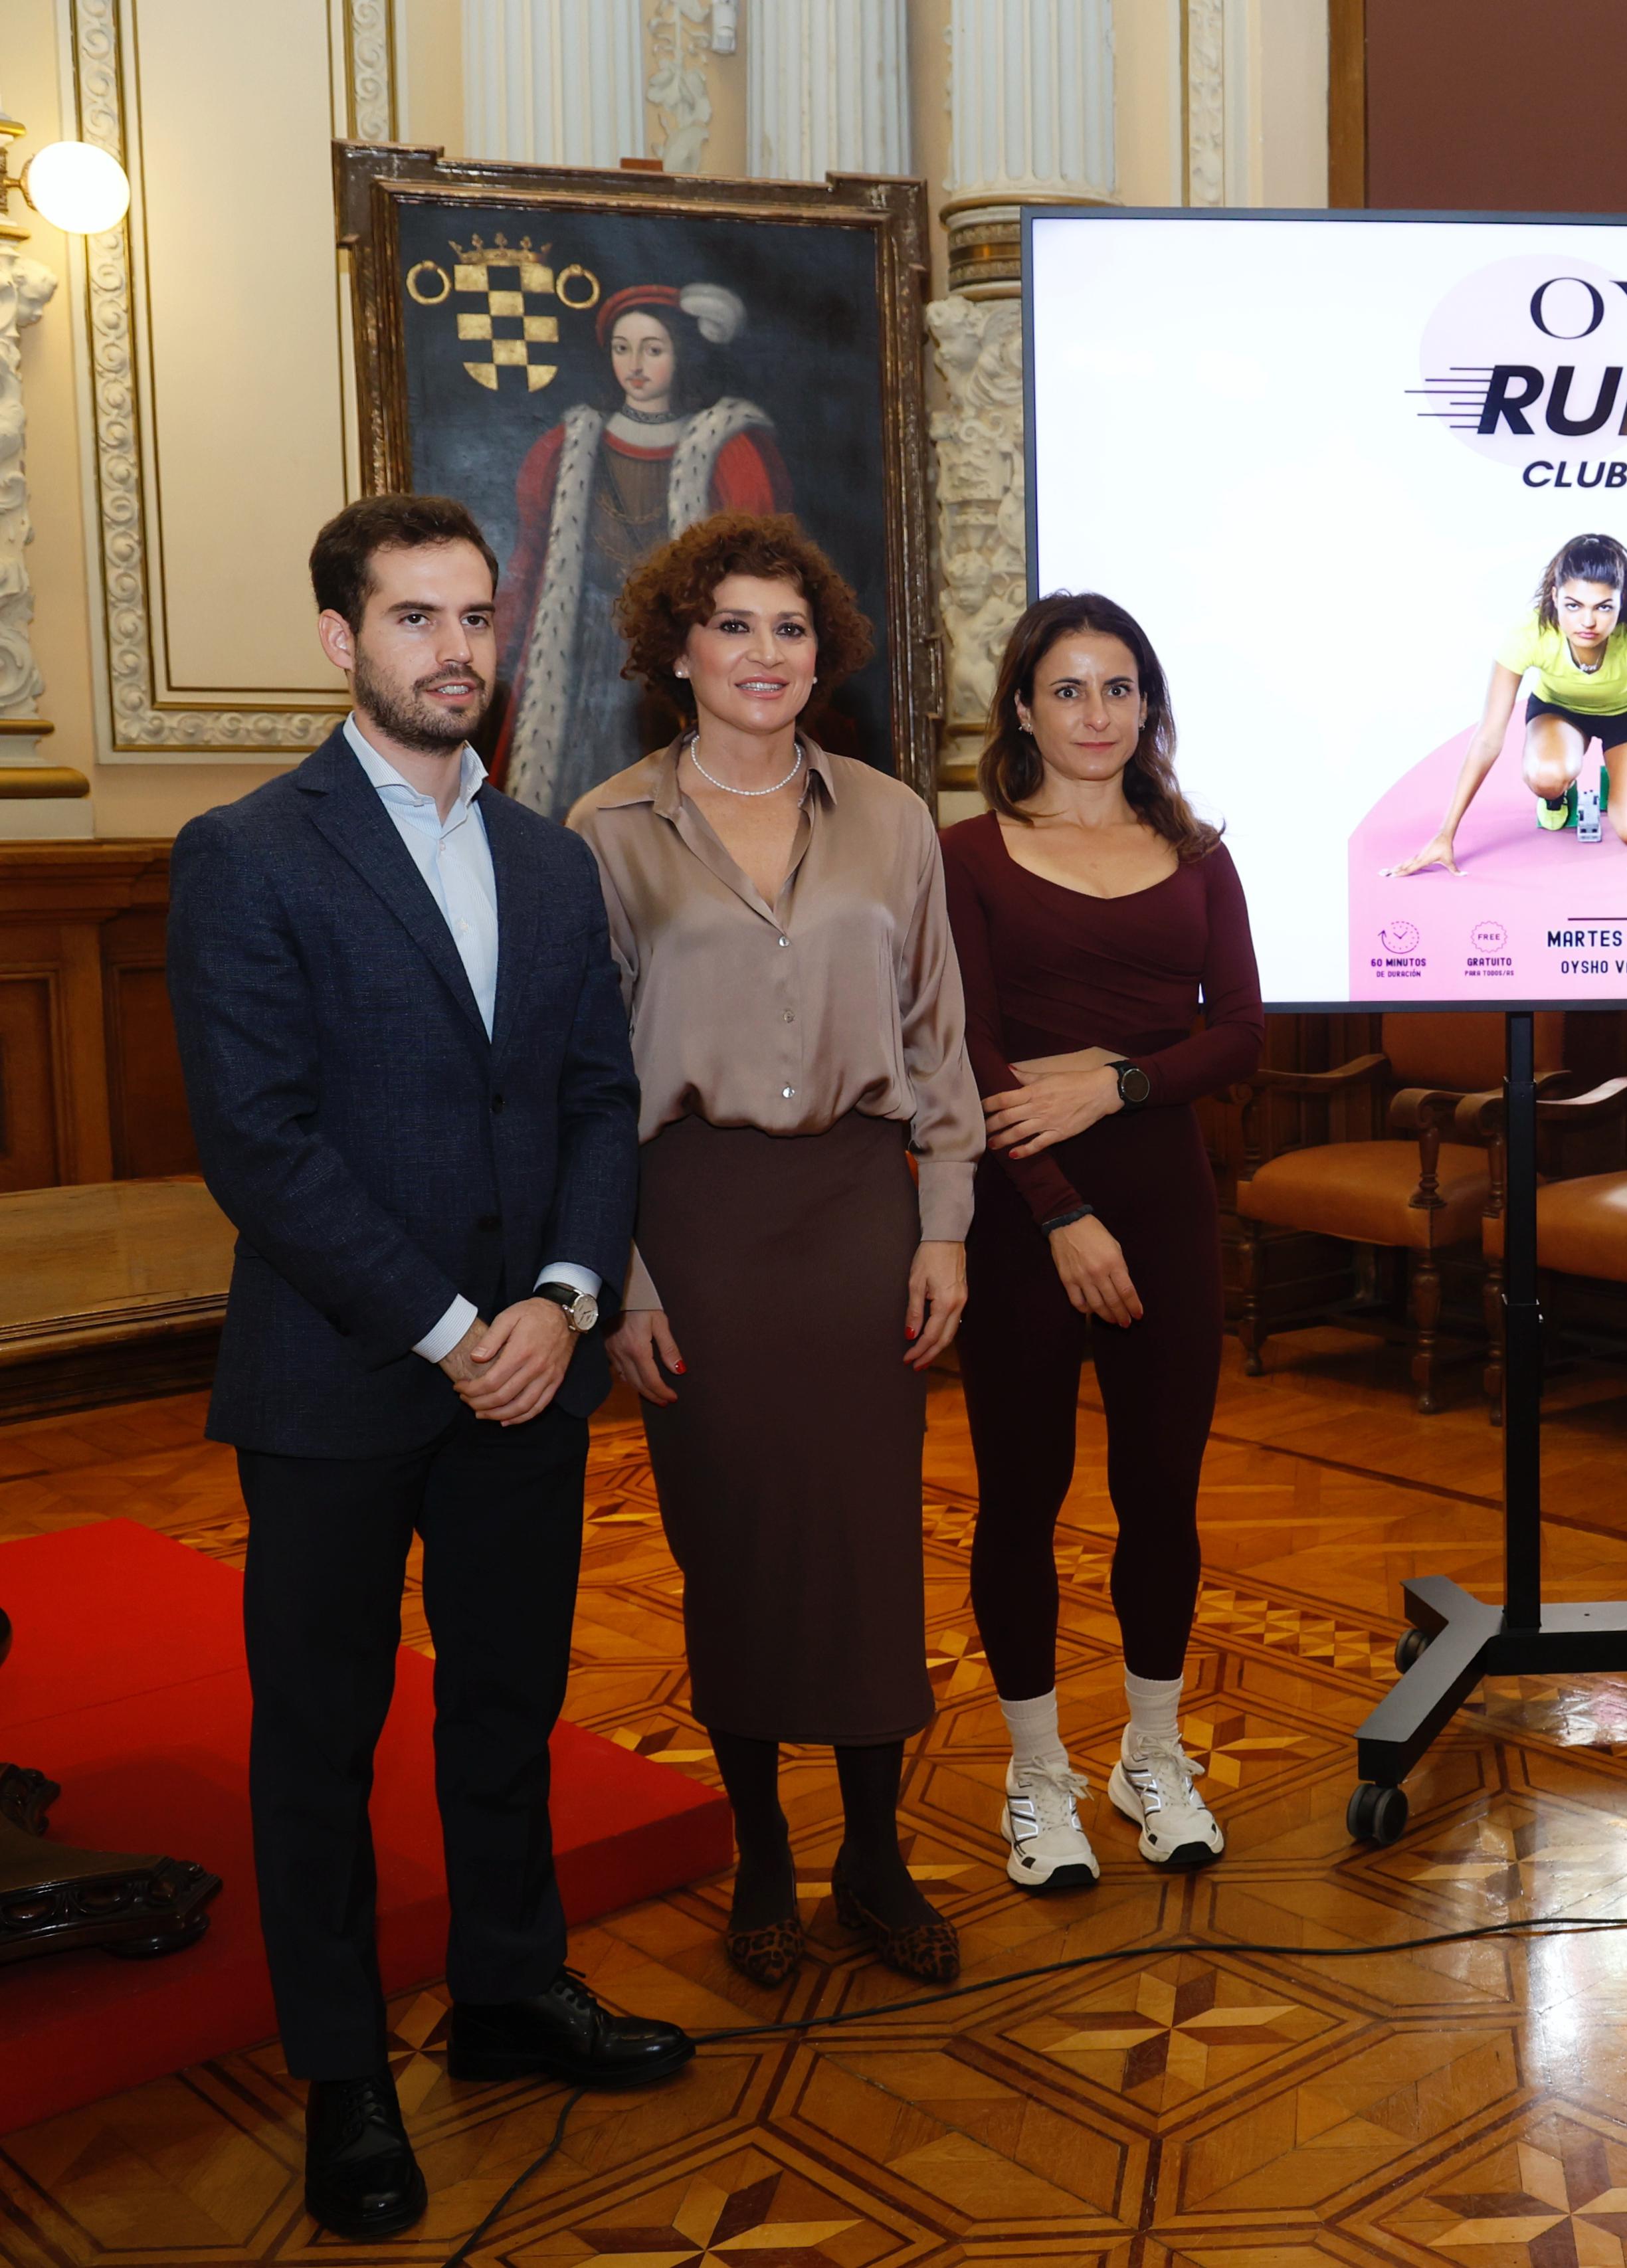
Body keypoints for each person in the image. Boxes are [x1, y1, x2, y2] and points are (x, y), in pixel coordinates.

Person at [168, 496, 691, 2243]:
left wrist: (562, 1295)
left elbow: (598, 1098)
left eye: (476, 616)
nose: (455, 649)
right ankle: (343, 2070)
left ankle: (510, 1988)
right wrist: (456, 1329)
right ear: (342, 639)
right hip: (338, 1375)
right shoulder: (249, 852)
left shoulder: (547, 857)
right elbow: (260, 1144)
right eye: (415, 618)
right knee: (321, 1739)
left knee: (506, 1702)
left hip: (532, 1369)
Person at [567, 512, 983, 1990]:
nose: (764, 652)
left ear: (823, 655)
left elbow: (937, 1037)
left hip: (864, 1212)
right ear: (678, 648)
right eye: (733, 624)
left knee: (871, 1545)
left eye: (790, 628)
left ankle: (872, 1856)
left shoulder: (892, 817)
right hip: (695, 1223)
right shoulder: (607, 829)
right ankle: (759, 1856)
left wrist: (946, 1226)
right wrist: (618, 1274)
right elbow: (583, 1080)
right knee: (733, 1542)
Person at [942, 593, 1266, 1887]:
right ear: (1023, 708)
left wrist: (1117, 1084)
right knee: (1021, 1499)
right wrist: (1063, 1211)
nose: (1095, 713)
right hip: (1020, 1210)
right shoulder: (966, 856)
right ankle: (1036, 1774)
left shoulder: (1198, 852)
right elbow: (965, 1051)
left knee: (1161, 1493)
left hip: (1167, 1203)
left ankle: (1151, 1754)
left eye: (1118, 687)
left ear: (1148, 705)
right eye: (1067, 688)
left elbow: (1240, 1033)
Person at [496, 282, 792, 818]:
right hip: (586, 649)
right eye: (622, 348)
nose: (634, 365)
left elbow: (764, 577)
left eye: (653, 349)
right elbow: (529, 562)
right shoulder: (566, 447)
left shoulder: (728, 448)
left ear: (681, 355)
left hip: (679, 651)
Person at [1385, 531, 1627, 878]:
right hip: (1559, 711)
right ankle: (1558, 795)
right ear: (1555, 598)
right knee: (1547, 774)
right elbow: (1488, 737)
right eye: (1574, 605)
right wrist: (1446, 834)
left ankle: (1617, 779)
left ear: (1621, 602)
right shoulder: (1529, 634)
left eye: (1603, 607)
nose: (1587, 622)